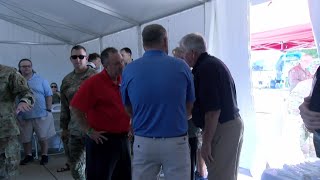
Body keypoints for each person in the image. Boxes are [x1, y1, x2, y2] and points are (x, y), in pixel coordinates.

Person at [121, 24, 195, 180]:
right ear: (165, 41)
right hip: (176, 140)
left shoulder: (130, 69)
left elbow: (127, 107)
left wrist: (144, 116)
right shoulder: (181, 66)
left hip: (144, 141)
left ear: (143, 43)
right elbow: (189, 106)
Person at [179, 33, 243, 180]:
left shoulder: (206, 69)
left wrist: (206, 143)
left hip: (223, 127)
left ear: (193, 53)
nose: (182, 56)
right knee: (225, 175)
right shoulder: (210, 64)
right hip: (227, 125)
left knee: (219, 176)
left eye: (183, 52)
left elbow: (213, 111)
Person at [70, 47, 131, 180]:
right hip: (102, 140)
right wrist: (89, 131)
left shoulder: (124, 80)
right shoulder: (94, 83)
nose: (121, 65)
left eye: (121, 61)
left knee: (124, 176)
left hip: (123, 139)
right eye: (116, 63)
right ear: (105, 66)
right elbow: (75, 108)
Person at [59, 45, 97, 179]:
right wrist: (64, 128)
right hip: (74, 129)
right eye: (74, 57)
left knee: (96, 165)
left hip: (95, 129)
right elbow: (64, 106)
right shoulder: (67, 80)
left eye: (81, 56)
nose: (78, 59)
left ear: (86, 58)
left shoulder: (96, 77)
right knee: (75, 165)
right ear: (71, 59)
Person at [18, 59, 56, 166]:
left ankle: (44, 155)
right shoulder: (17, 81)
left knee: (43, 137)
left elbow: (49, 95)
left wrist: (48, 109)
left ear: (32, 67)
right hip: (23, 115)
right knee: (25, 138)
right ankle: (28, 156)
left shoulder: (41, 79)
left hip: (41, 114)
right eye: (23, 66)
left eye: (28, 66)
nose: (26, 68)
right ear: (19, 68)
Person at [172, 47, 202, 180]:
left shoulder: (193, 77)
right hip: (175, 130)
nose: (176, 61)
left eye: (179, 58)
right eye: (174, 58)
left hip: (189, 129)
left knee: (188, 164)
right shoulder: (172, 78)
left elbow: (195, 103)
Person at [0, 64, 34, 179]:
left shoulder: (8, 72)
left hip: (5, 134)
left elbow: (27, 92)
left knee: (7, 173)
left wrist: (24, 101)